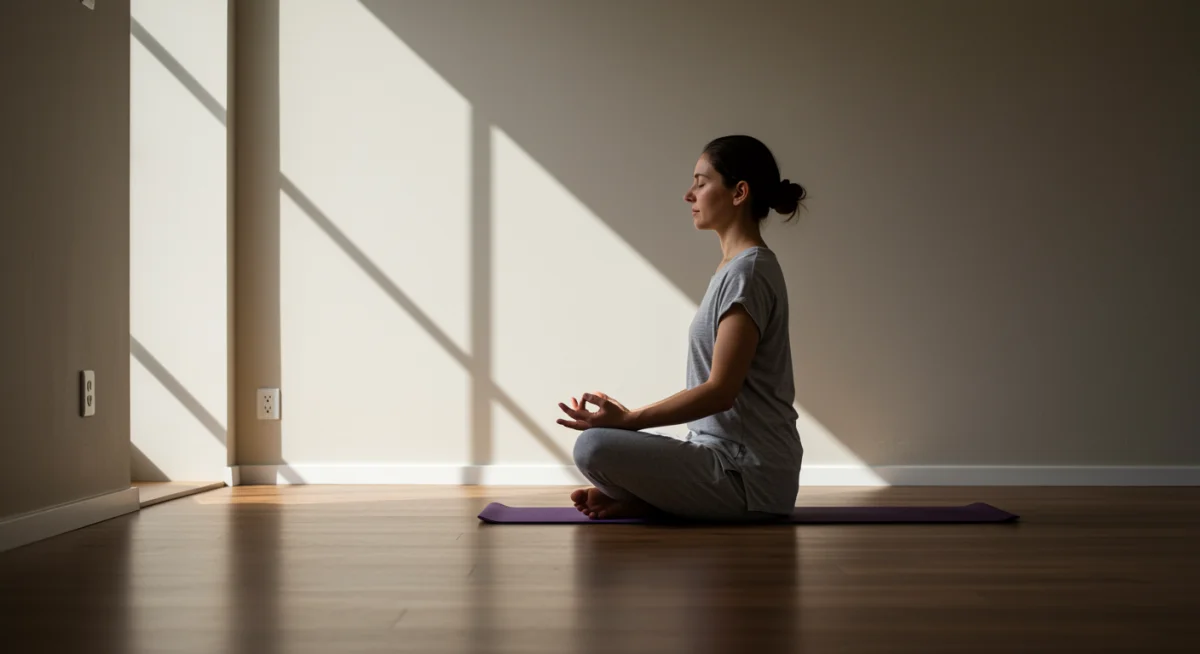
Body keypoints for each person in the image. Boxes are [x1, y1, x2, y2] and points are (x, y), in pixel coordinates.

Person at [556, 135, 806, 521]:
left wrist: (629, 420)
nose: (689, 195)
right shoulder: (734, 269)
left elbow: (720, 392)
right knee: (600, 444)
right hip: (720, 458)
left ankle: (654, 499)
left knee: (593, 447)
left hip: (748, 474)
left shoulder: (749, 273)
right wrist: (627, 422)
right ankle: (648, 499)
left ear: (739, 193)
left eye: (701, 183)